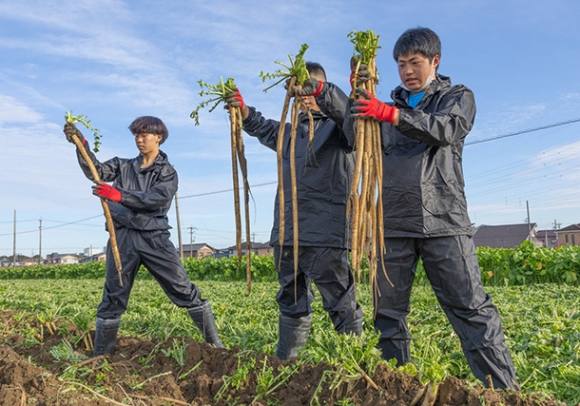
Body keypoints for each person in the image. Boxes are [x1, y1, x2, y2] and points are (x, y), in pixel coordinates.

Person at [337, 27, 519, 390]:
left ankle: (504, 392)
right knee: (387, 314)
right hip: (393, 223)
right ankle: (397, 389)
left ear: (434, 61)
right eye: (401, 64)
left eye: (415, 62)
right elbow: (350, 138)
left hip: (444, 221)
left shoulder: (456, 97)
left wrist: (392, 116)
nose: (407, 70)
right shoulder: (384, 105)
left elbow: (446, 129)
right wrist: (353, 97)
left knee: (470, 307)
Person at [224, 62, 364, 360]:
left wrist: (325, 93)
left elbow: (348, 112)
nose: (302, 95)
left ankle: (356, 364)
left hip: (326, 232)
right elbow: (261, 126)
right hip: (287, 233)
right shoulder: (288, 132)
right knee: (291, 297)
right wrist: (243, 109)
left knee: (340, 301)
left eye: (309, 88)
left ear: (322, 88)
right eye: (296, 90)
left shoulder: (342, 128)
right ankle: (287, 363)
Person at [63, 116, 223, 356]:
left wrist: (120, 195)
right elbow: (95, 171)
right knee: (113, 296)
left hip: (154, 239)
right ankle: (101, 357)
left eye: (144, 135)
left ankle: (216, 347)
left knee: (183, 289)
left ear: (158, 137)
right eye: (136, 135)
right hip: (122, 239)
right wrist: (80, 143)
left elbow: (157, 199)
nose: (139, 140)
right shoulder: (122, 165)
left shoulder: (167, 173)